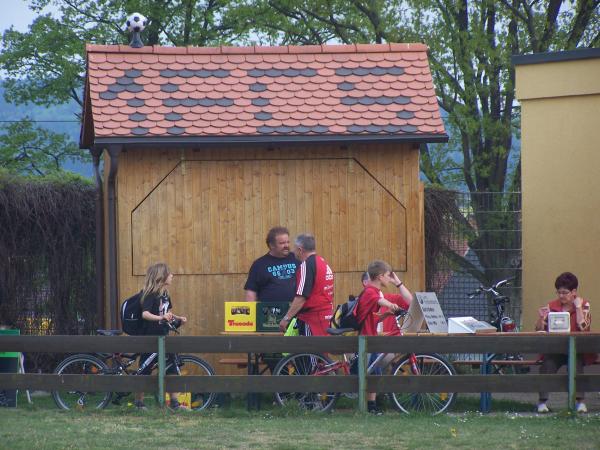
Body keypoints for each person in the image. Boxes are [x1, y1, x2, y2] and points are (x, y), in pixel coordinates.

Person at [534, 272, 593, 414]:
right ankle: (542, 402)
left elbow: (583, 326)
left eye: (565, 292)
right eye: (559, 292)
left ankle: (580, 402)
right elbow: (538, 329)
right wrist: (541, 319)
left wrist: (578, 307)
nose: (561, 296)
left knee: (576, 366)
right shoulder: (551, 306)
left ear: (574, 292)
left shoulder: (584, 305)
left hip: (576, 348)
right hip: (556, 348)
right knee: (547, 365)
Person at [134, 262, 188, 411]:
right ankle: (139, 403)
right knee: (145, 370)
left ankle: (175, 404)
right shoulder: (151, 294)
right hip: (150, 339)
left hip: (164, 337)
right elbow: (145, 314)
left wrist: (178, 318)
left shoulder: (165, 295)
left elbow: (166, 312)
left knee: (170, 368)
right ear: (161, 276)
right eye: (169, 273)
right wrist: (161, 318)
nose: (172, 276)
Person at [355, 260, 401, 415]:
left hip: (370, 337)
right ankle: (366, 406)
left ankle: (372, 406)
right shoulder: (370, 291)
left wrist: (385, 315)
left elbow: (369, 318)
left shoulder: (372, 292)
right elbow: (379, 300)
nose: (389, 279)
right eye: (388, 276)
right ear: (380, 276)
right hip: (365, 339)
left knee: (374, 373)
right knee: (367, 373)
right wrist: (391, 305)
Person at [278, 233, 334, 336]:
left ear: (300, 250)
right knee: (321, 351)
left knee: (309, 350)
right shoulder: (323, 263)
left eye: (295, 249)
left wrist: (286, 318)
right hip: (325, 316)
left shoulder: (306, 266)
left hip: (312, 320)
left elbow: (301, 297)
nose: (293, 252)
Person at [244, 226, 298, 303]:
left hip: (297, 311)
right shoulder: (259, 265)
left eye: (288, 242)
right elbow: (251, 293)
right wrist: (251, 312)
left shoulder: (297, 258)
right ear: (272, 245)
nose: (286, 245)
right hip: (270, 313)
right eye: (282, 243)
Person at [357, 271, 413, 336]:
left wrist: (398, 283)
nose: (378, 279)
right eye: (373, 278)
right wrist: (390, 306)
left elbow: (411, 303)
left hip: (392, 342)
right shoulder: (362, 303)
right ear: (365, 283)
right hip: (372, 341)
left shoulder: (389, 298)